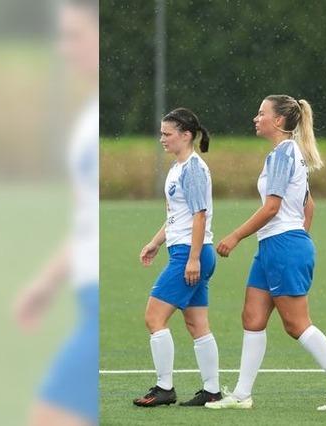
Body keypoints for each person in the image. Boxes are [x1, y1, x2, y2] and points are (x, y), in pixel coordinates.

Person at [205, 95, 326, 412]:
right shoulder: (289, 152)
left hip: (283, 246)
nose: (255, 118)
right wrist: (299, 236)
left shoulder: (282, 155)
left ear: (278, 121)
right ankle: (242, 394)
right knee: (252, 317)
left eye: (261, 113)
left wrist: (235, 236)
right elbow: (308, 204)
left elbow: (273, 208)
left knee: (296, 324)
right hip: (276, 247)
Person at [12, 1, 99, 425]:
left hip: (99, 306)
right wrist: (46, 284)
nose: (65, 49)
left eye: (75, 35)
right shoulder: (87, 120)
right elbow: (86, 220)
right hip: (88, 301)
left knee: (48, 416)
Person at [133, 108, 222, 408]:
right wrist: (156, 242)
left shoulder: (193, 168)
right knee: (197, 324)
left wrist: (193, 258)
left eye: (167, 133)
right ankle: (212, 391)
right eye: (161, 133)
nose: (162, 139)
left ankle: (164, 388)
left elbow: (199, 214)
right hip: (189, 250)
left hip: (190, 253)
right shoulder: (177, 167)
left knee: (153, 317)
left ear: (186, 135)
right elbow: (178, 216)